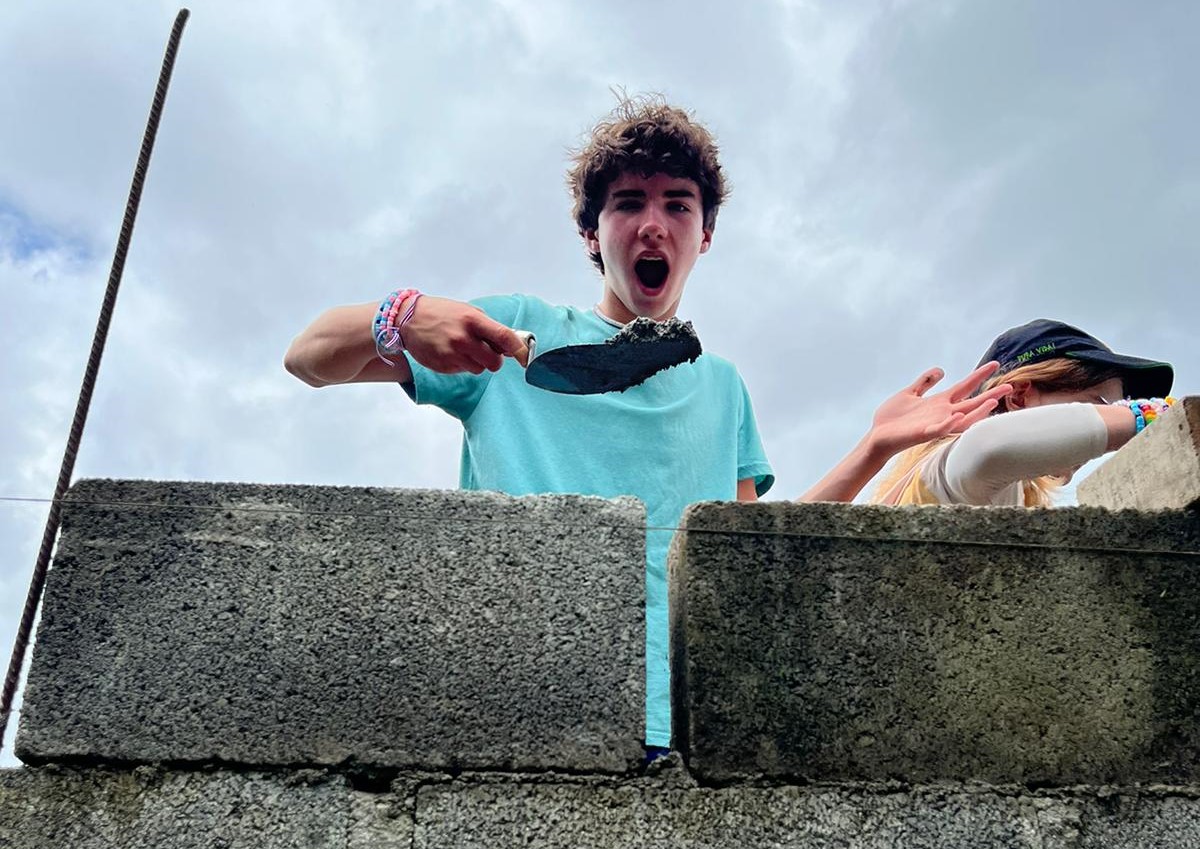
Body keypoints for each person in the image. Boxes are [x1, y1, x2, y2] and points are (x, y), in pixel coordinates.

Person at [285, 95, 1008, 752]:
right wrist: (403, 315)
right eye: (628, 203)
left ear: (706, 235)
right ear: (593, 235)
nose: (653, 222)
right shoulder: (511, 335)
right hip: (525, 713)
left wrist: (876, 446)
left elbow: (739, 556)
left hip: (688, 724)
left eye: (679, 205)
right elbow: (308, 357)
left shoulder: (723, 386)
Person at [872, 319, 1175, 507]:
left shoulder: (1004, 493)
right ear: (1017, 397)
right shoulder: (955, 471)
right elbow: (989, 446)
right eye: (1100, 405)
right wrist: (1155, 415)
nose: (1112, 420)